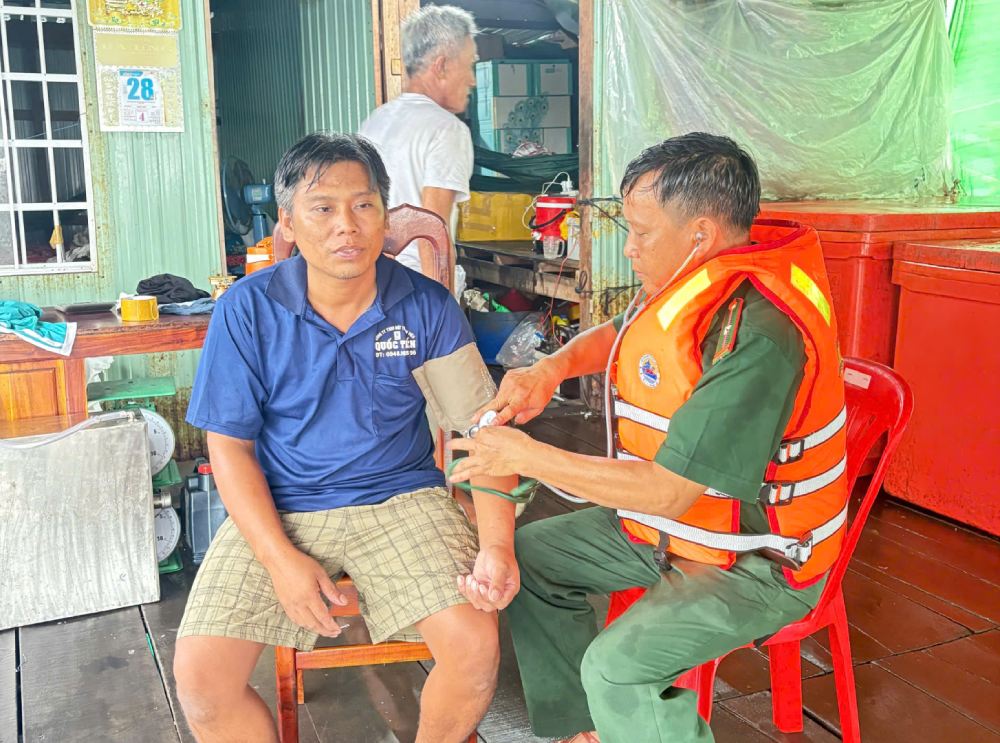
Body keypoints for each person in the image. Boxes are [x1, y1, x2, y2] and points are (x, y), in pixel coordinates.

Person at [449, 132, 848, 743]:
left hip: (757, 558)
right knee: (532, 559)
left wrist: (526, 455)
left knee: (616, 670)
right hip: (682, 529)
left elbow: (667, 492)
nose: (629, 249)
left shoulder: (758, 335)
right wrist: (549, 369)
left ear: (701, 234)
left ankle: (624, 715)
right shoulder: (693, 278)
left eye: (640, 232)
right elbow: (624, 329)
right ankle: (585, 732)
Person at [172, 132, 518, 743]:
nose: (346, 226)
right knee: (202, 681)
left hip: (402, 501)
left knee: (473, 651)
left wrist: (497, 544)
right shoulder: (247, 309)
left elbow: (482, 431)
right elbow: (229, 447)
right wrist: (279, 559)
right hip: (280, 506)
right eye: (323, 208)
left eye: (363, 205)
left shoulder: (426, 306)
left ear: (385, 215)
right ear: (287, 221)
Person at [359, 5, 477, 291]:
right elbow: (431, 233)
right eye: (469, 65)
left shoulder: (375, 121)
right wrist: (441, 309)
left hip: (372, 285)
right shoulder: (446, 129)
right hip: (417, 289)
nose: (472, 80)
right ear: (442, 66)